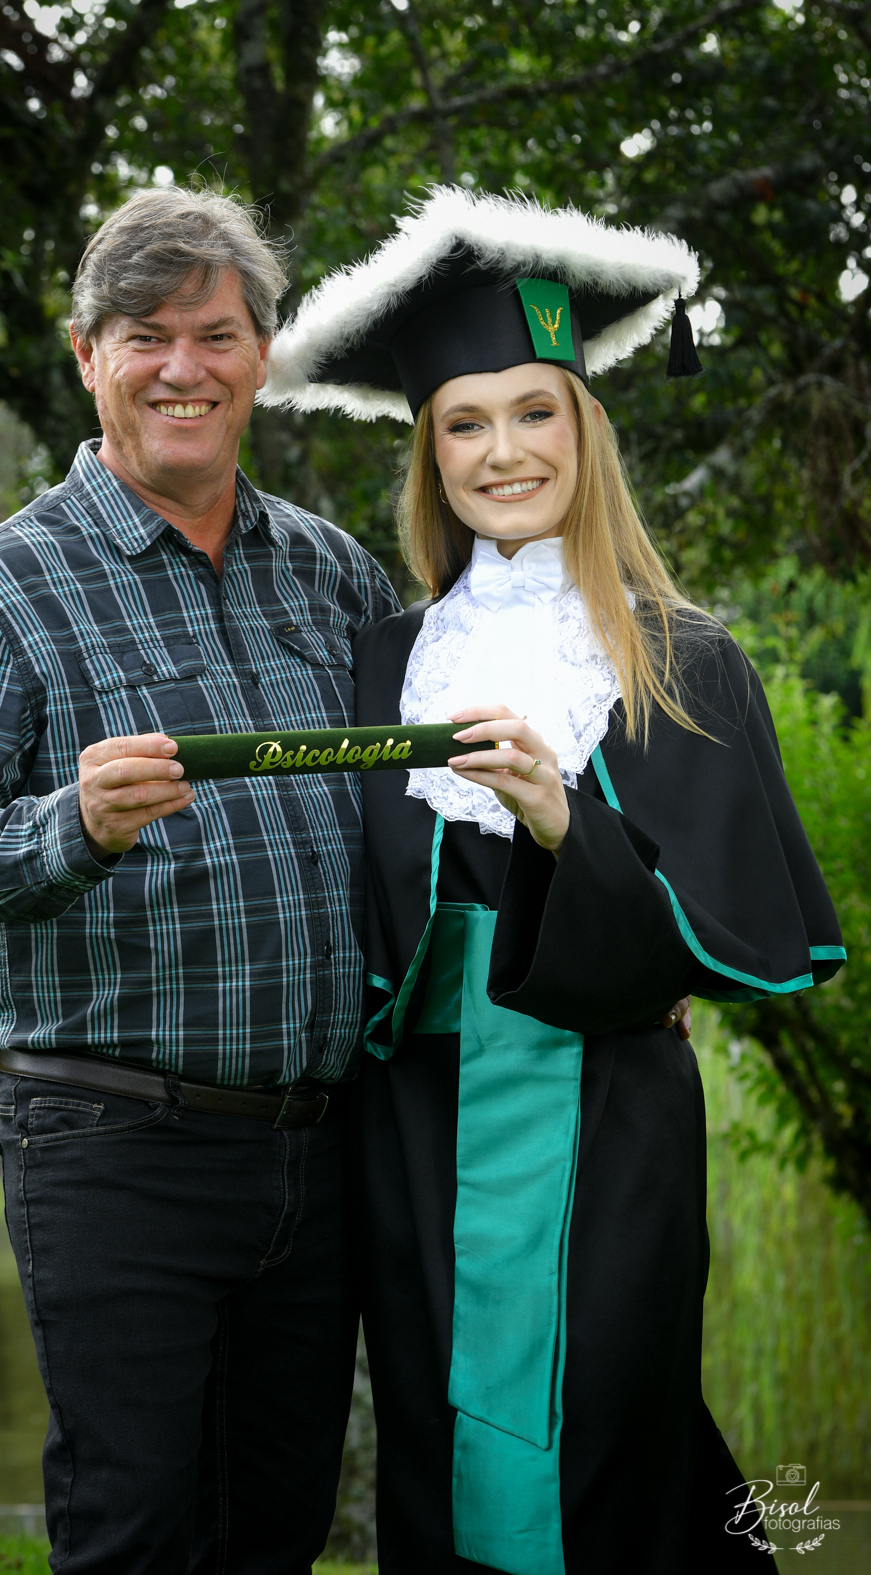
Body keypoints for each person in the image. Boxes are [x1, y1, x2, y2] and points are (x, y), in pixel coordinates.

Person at [259, 187, 845, 1574]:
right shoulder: (378, 664)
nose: (502, 450)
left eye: (535, 412)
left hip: (609, 1116)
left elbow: (729, 940)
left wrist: (555, 823)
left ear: (585, 429)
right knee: (434, 1423)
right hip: (414, 1128)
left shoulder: (680, 661)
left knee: (603, 1435)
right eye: (464, 422)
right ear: (428, 452)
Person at [0, 186, 399, 1574]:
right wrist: (69, 828)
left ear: (261, 354)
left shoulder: (329, 576)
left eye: (216, 334)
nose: (184, 367)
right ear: (85, 352)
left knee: (273, 1528)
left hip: (316, 1142)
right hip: (115, 1145)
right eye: (145, 334)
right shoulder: (9, 588)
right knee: (137, 1531)